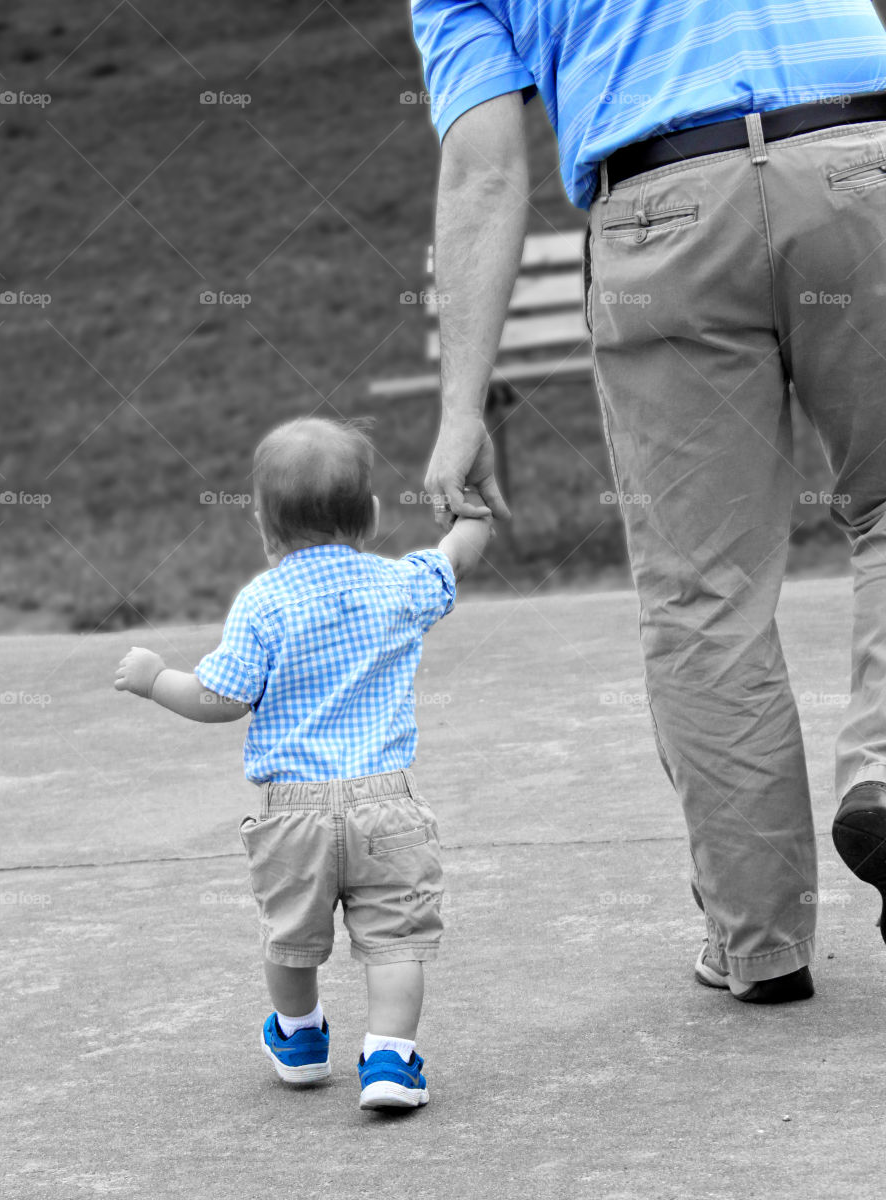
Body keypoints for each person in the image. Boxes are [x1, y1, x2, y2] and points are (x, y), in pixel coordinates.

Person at [410, 0, 886, 1003]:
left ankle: (761, 946)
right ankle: (885, 770)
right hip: (859, 154)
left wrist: (463, 410)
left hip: (661, 206)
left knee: (703, 592)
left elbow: (485, 167)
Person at [114, 416, 492, 1108]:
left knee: (289, 937)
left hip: (294, 816)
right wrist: (476, 496)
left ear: (263, 528)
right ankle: (390, 1059)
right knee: (397, 938)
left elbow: (219, 697)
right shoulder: (398, 584)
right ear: (374, 517)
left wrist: (154, 679)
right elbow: (460, 552)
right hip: (389, 808)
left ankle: (299, 1036)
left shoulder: (263, 602)